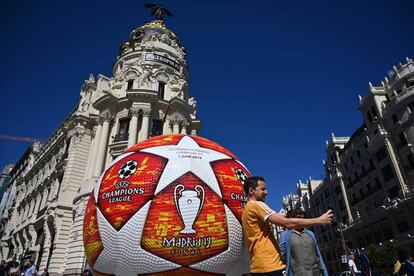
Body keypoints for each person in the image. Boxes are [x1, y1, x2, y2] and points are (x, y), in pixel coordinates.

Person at [242, 176, 333, 276]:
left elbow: (283, 217)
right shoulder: (256, 205)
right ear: (251, 190)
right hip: (270, 266)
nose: (266, 192)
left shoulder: (247, 209)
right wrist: (319, 220)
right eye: (263, 189)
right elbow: (287, 223)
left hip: (260, 266)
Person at [279, 208, 328, 276]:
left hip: (316, 272)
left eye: (303, 218)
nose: (302, 220)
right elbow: (282, 256)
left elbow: (318, 254)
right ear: (292, 219)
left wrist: (324, 271)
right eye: (299, 218)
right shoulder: (285, 235)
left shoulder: (310, 233)